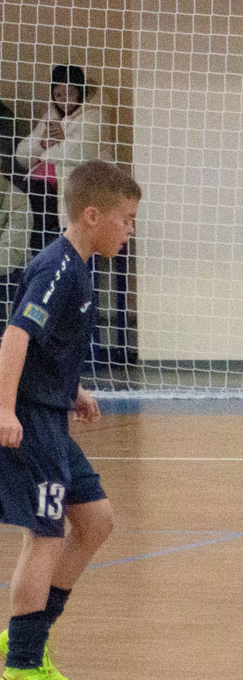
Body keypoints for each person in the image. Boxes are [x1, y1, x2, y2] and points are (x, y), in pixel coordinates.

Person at [0, 160, 139, 680]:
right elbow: (15, 337)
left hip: (51, 414)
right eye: (126, 218)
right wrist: (4, 409)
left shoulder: (80, 268)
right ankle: (23, 663)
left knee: (96, 521)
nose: (129, 229)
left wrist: (72, 389)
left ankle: (24, 636)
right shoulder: (56, 268)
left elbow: (46, 345)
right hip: (31, 420)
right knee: (47, 534)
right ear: (92, 215)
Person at [13, 65, 114, 258]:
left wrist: (59, 141)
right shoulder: (51, 117)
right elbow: (22, 156)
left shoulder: (94, 116)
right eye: (58, 95)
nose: (64, 101)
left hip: (82, 187)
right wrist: (43, 143)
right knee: (18, 195)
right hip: (44, 186)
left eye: (69, 94)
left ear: (80, 91)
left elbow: (79, 153)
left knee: (35, 199)